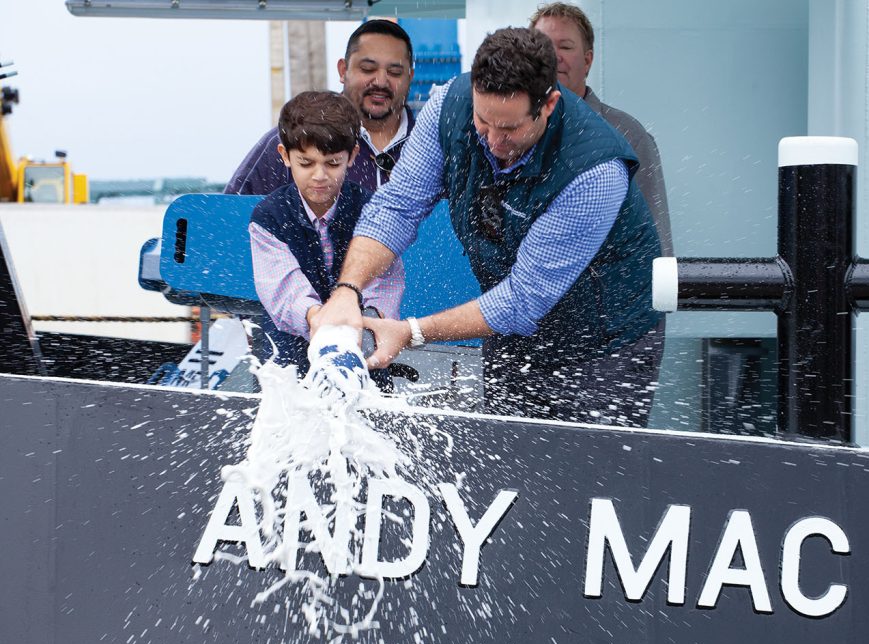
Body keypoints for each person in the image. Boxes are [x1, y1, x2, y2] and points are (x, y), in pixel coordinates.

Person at [311, 28, 665, 428]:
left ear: (548, 104)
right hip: (512, 329)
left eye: (510, 129)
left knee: (589, 475)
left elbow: (522, 301)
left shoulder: (594, 171)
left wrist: (410, 332)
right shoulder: (448, 104)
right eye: (483, 121)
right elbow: (398, 206)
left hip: (604, 343)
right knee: (506, 455)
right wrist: (347, 290)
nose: (494, 141)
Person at [227, 19, 416, 320]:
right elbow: (234, 222)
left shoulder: (435, 147)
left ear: (410, 76)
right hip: (295, 331)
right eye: (367, 69)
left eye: (394, 72)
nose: (380, 81)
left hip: (401, 331)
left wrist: (371, 318)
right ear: (343, 70)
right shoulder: (286, 141)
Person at [247, 90, 379, 377]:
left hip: (361, 344)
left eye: (332, 163)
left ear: (352, 155)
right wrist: (317, 319)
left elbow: (383, 282)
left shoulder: (373, 212)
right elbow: (284, 291)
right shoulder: (268, 217)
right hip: (286, 357)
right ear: (284, 155)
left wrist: (367, 319)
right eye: (306, 163)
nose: (319, 175)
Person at [530, 2, 673, 258]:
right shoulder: (515, 134)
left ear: (588, 60)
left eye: (565, 46)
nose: (554, 56)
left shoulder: (628, 135)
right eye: (544, 46)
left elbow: (656, 237)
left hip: (608, 293)